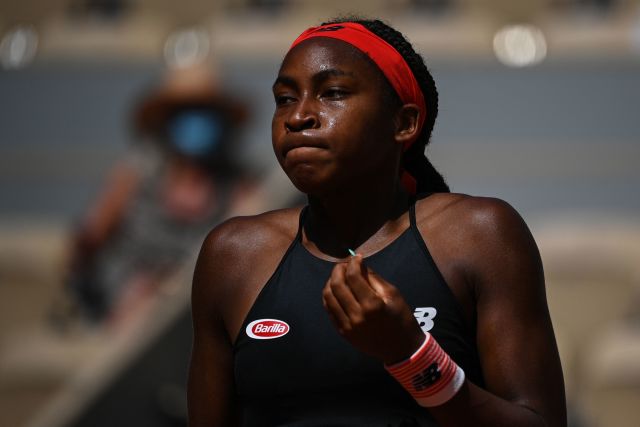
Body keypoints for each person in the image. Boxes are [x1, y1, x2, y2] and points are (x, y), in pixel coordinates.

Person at [188, 18, 566, 426]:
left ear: (404, 123)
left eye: (333, 93)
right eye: (284, 98)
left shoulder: (480, 235)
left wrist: (412, 355)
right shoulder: (234, 255)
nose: (298, 116)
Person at [61, 65, 251, 329]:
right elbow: (90, 236)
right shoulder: (137, 172)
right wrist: (83, 293)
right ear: (167, 121)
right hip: (124, 307)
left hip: (191, 309)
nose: (196, 121)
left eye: (205, 112)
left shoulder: (235, 184)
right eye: (185, 112)